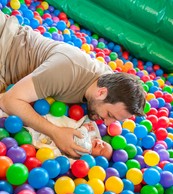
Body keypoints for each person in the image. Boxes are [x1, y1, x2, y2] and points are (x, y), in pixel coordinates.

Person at [0, 11, 146, 158]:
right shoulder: (66, 70)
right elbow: (8, 100)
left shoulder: (107, 80)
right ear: (101, 92)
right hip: (4, 43)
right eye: (109, 115)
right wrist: (55, 132)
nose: (108, 124)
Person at [0, 109, 113, 160]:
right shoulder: (92, 139)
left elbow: (80, 138)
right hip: (60, 129)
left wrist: (84, 128)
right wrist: (91, 129)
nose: (101, 145)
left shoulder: (86, 149)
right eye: (103, 143)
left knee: (29, 128)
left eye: (101, 150)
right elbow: (90, 124)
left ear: (93, 157)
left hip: (54, 138)